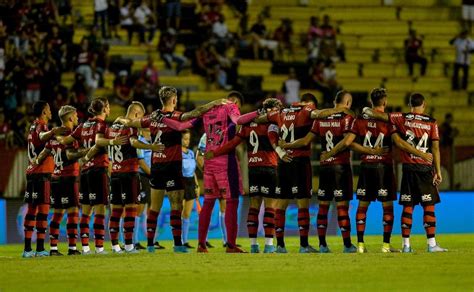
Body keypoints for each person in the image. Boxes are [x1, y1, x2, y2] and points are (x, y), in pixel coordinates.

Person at [321, 88, 432, 253]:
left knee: (362, 206)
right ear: (385, 102)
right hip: (383, 168)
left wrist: (367, 152)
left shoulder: (359, 119)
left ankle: (360, 245)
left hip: (366, 167)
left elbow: (348, 143)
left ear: (371, 102)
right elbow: (399, 142)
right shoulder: (389, 121)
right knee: (387, 207)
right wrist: (421, 154)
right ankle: (386, 246)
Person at [117, 87, 225, 253]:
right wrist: (215, 103)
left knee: (154, 208)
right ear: (174, 99)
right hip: (173, 166)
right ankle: (177, 244)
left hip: (157, 166)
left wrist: (121, 120)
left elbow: (133, 122)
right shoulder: (176, 116)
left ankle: (151, 245)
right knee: (176, 206)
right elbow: (196, 112)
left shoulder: (152, 117)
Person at [249, 93, 347, 253]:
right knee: (303, 204)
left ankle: (280, 245)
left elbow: (260, 119)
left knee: (281, 205)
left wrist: (262, 118)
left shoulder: (279, 113)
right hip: (300, 163)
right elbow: (319, 114)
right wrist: (339, 109)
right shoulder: (307, 110)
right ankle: (303, 245)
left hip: (283, 162)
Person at [159, 91, 255, 253]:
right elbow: (238, 120)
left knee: (208, 203)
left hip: (209, 163)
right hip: (225, 162)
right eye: (236, 103)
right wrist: (259, 112)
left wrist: (162, 119)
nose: (235, 106)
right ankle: (231, 245)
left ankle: (201, 244)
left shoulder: (209, 110)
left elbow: (181, 126)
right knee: (231, 202)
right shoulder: (232, 110)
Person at [363, 92, 447, 252]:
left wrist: (367, 110)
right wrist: (438, 170)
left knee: (408, 206)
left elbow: (379, 116)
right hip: (424, 168)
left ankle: (406, 246)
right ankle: (431, 245)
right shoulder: (431, 122)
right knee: (428, 206)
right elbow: (435, 148)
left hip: (408, 169)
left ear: (410, 105)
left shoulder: (401, 117)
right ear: (424, 105)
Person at [277, 92, 357, 253]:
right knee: (340, 206)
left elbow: (307, 140)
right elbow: (348, 141)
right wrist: (331, 153)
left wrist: (285, 146)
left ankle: (320, 245)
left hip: (315, 166)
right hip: (337, 166)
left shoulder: (316, 119)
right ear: (347, 102)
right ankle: (346, 245)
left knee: (322, 206)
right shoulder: (346, 117)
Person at [205, 98, 284, 253]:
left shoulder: (248, 124)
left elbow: (232, 143)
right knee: (270, 207)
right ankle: (269, 245)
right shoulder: (274, 122)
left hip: (253, 169)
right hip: (269, 167)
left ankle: (253, 245)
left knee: (253, 207)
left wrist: (215, 152)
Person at [59, 98, 128, 255]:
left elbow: (65, 141)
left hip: (85, 172)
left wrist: (76, 149)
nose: (109, 109)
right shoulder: (102, 125)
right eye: (108, 106)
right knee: (100, 210)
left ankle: (85, 248)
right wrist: (113, 141)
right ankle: (99, 247)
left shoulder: (83, 125)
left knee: (86, 212)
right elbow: (99, 142)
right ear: (104, 109)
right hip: (98, 169)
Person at [105, 102, 163, 253]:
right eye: (141, 117)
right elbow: (133, 142)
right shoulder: (131, 127)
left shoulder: (111, 128)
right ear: (137, 114)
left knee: (116, 211)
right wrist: (151, 147)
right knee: (131, 209)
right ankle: (130, 245)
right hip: (129, 172)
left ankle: (115, 246)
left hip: (115, 174)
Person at [35, 106, 88, 256]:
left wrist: (36, 161)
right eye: (76, 116)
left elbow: (43, 154)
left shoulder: (54, 135)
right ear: (70, 118)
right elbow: (70, 155)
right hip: (69, 178)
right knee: (73, 212)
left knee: (57, 213)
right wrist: (85, 152)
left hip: (55, 179)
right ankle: (72, 248)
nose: (77, 118)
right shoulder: (70, 135)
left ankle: (53, 249)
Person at [22, 101, 64, 258]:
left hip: (32, 173)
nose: (51, 110)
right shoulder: (41, 126)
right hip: (41, 174)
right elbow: (42, 136)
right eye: (48, 108)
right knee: (43, 211)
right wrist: (53, 132)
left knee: (32, 210)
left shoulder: (32, 126)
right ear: (44, 112)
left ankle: (27, 249)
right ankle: (39, 249)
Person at [181, 129, 199, 249]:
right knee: (180, 212)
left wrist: (197, 185)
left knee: (187, 213)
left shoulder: (191, 153)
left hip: (190, 182)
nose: (187, 141)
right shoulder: (177, 153)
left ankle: (185, 240)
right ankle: (179, 240)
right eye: (185, 139)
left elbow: (193, 172)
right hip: (181, 182)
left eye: (188, 139)